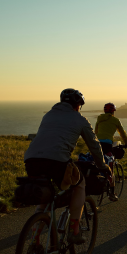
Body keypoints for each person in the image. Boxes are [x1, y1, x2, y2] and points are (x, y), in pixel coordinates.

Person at [24, 88, 110, 244]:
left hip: (31, 160)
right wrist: (103, 166)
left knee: (47, 191)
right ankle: (74, 230)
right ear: (78, 105)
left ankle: (35, 234)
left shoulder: (48, 115)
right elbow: (94, 145)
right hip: (56, 161)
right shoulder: (80, 119)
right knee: (80, 184)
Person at [94, 102, 127, 201]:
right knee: (110, 166)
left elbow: (96, 131)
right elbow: (122, 133)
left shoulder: (99, 118)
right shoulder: (115, 120)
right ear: (113, 111)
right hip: (107, 144)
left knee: (97, 160)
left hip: (97, 143)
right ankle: (111, 193)